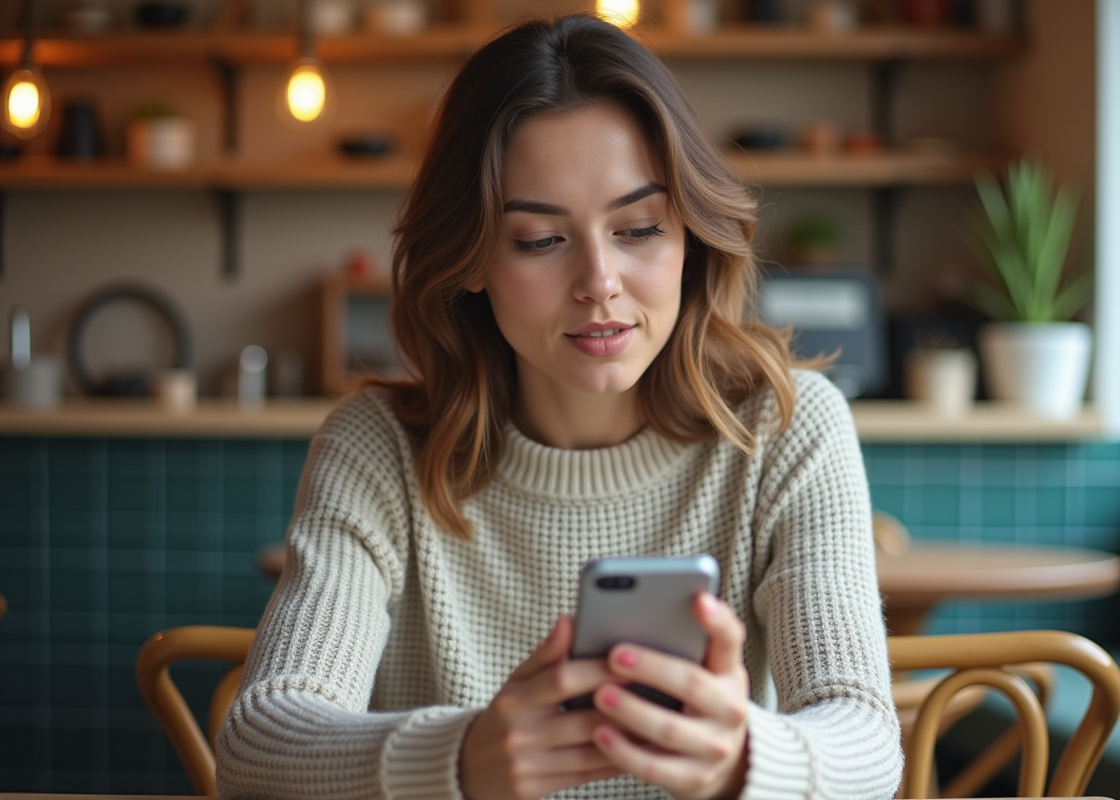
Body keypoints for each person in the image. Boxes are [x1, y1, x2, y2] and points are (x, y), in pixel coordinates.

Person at [216, 13, 902, 800]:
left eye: (639, 227)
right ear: (471, 258)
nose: (600, 281)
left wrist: (744, 762)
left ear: (691, 237)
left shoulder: (788, 428)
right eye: (541, 239)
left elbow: (867, 744)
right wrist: (461, 759)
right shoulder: (378, 448)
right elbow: (257, 742)